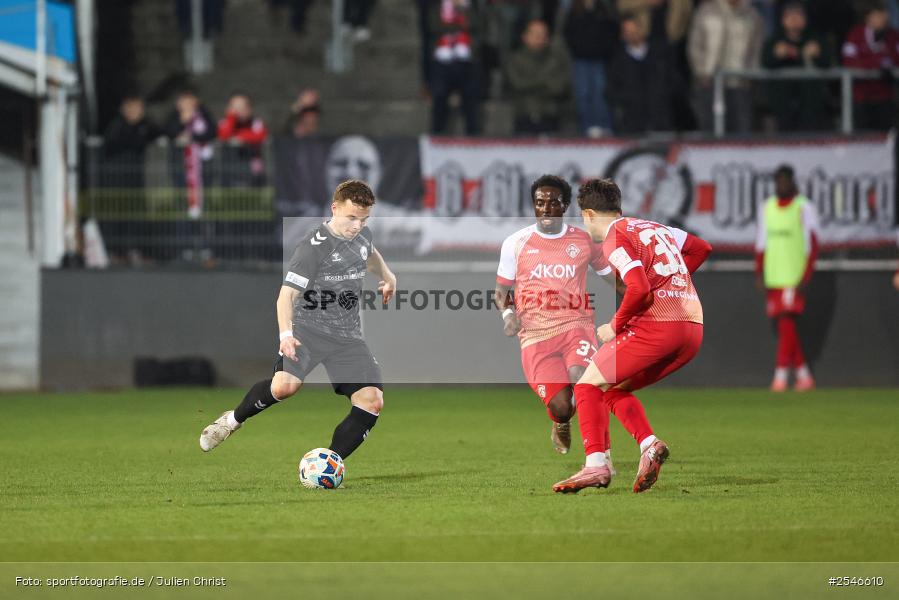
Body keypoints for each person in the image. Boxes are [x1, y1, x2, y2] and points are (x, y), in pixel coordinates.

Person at [199, 180, 398, 468]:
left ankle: (329, 463)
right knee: (284, 388)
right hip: (308, 332)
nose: (357, 226)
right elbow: (285, 297)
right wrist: (285, 335)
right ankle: (231, 421)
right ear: (334, 209)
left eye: (363, 219)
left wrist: (389, 276)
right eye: (351, 217)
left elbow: (370, 256)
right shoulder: (313, 248)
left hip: (347, 338)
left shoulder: (362, 237)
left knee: (372, 401)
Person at [552, 178, 712, 494]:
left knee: (586, 383)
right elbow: (701, 248)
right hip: (692, 328)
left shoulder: (614, 237)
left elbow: (638, 288)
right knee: (610, 388)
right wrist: (671, 284)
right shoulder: (656, 228)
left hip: (659, 326)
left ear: (587, 214)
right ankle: (649, 445)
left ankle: (596, 465)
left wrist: (615, 324)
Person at [495, 175, 612, 457]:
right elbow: (501, 291)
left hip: (577, 326)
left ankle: (600, 456)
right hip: (535, 335)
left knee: (582, 379)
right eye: (540, 203)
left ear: (566, 205)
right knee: (561, 406)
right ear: (533, 206)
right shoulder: (515, 243)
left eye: (553, 203)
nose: (546, 208)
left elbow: (614, 278)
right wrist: (509, 315)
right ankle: (561, 422)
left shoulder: (585, 240)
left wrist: (640, 293)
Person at [754, 165, 818, 392]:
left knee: (786, 322)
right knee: (785, 326)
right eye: (777, 181)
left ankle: (780, 376)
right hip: (774, 275)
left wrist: (806, 275)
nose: (781, 185)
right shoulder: (768, 207)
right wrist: (759, 273)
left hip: (794, 275)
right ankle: (804, 375)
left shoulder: (804, 208)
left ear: (792, 182)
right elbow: (762, 243)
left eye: (785, 181)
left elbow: (812, 244)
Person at [688, 0, 764, 133]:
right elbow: (695, 46)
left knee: (741, 131)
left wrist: (751, 74)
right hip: (709, 83)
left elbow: (756, 49)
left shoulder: (752, 15)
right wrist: (701, 72)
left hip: (740, 84)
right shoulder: (706, 11)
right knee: (709, 131)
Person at [761, 2, 831, 132]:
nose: (794, 20)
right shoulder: (774, 40)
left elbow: (828, 63)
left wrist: (817, 54)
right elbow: (765, 62)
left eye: (798, 15)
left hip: (810, 105)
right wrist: (776, 55)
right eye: (790, 16)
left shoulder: (815, 39)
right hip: (783, 105)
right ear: (783, 19)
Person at [606, 13, 680, 133]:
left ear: (642, 30)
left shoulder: (660, 54)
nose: (633, 35)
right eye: (628, 32)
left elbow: (673, 81)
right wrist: (628, 100)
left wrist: (663, 96)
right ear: (622, 35)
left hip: (661, 121)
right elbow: (611, 92)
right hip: (632, 124)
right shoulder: (617, 61)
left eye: (635, 30)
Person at [562, 0, 619, 136]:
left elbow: (612, 30)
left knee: (601, 94)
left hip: (600, 59)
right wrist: (577, 50)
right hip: (581, 60)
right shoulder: (574, 9)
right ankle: (587, 128)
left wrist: (605, 50)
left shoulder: (604, 8)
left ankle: (605, 127)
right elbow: (568, 32)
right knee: (583, 95)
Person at [506, 19, 571, 134]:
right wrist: (545, 82)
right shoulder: (515, 59)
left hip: (551, 116)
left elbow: (560, 87)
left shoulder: (556, 59)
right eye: (535, 34)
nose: (539, 37)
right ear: (525, 36)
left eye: (543, 34)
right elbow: (517, 84)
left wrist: (531, 83)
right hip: (524, 116)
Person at [842, 1, 899, 131]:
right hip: (862, 97)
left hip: (885, 98)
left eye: (885, 15)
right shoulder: (855, 34)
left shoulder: (894, 36)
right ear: (868, 17)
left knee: (886, 137)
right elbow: (849, 61)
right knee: (862, 138)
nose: (884, 18)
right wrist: (877, 63)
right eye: (879, 15)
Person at [429, 0, 481, 135]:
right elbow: (434, 26)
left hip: (466, 61)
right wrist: (460, 25)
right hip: (443, 60)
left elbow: (476, 24)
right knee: (439, 97)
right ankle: (437, 134)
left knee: (470, 99)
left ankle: (473, 136)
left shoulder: (471, 7)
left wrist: (461, 10)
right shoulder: (437, 7)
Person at [217, 93, 268, 187]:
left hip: (251, 168)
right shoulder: (225, 122)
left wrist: (240, 137)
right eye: (235, 107)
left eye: (242, 107)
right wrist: (232, 117)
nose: (239, 111)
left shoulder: (257, 122)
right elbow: (224, 136)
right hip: (231, 169)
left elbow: (260, 136)